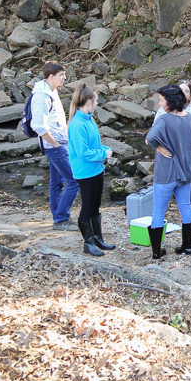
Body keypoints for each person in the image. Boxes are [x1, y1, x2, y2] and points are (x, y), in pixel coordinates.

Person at [145, 84, 191, 259]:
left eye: (161, 100)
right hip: (186, 172)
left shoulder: (164, 120)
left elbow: (150, 137)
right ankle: (187, 247)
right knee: (186, 207)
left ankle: (156, 252)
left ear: (170, 101)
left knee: (158, 211)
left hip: (167, 173)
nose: (159, 104)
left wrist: (159, 148)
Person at [30, 61, 79, 231]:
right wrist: (56, 144)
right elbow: (38, 125)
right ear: (51, 76)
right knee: (74, 181)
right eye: (61, 75)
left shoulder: (51, 91)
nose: (65, 78)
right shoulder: (42, 96)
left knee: (57, 183)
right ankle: (61, 219)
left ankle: (59, 217)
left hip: (59, 143)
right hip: (54, 146)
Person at [66, 83, 113, 257]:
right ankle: (89, 242)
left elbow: (94, 145)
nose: (97, 103)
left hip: (96, 169)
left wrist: (104, 150)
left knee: (95, 206)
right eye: (96, 100)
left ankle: (98, 239)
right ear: (88, 102)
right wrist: (103, 154)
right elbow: (83, 153)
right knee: (87, 207)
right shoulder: (77, 124)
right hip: (85, 172)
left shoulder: (89, 119)